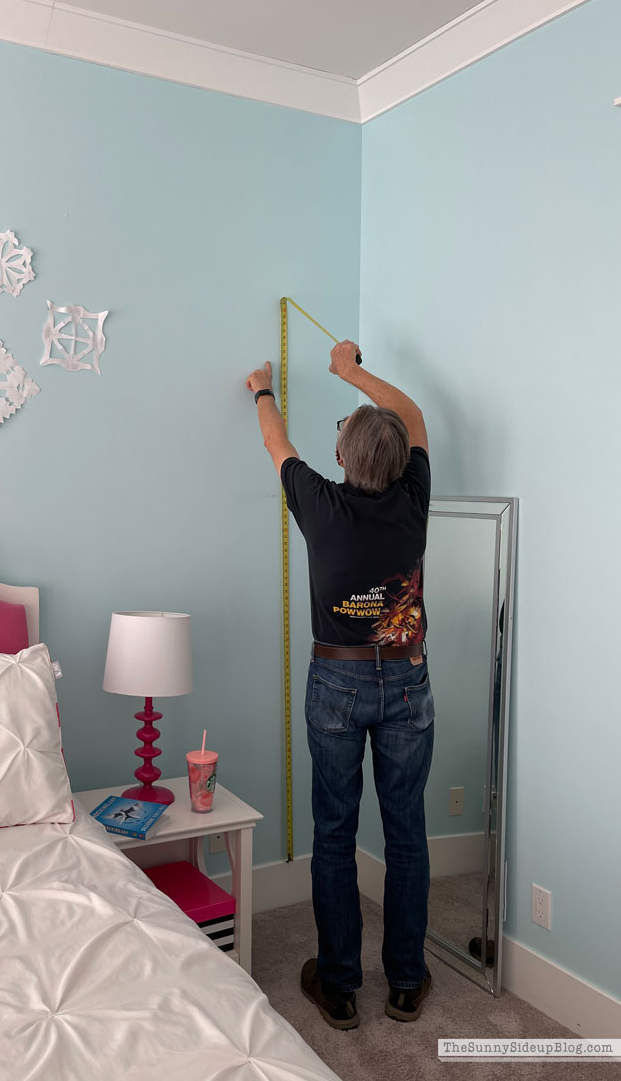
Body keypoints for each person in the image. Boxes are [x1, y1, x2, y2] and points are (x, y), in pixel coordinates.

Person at [245, 340, 434, 1030]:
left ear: (346, 460)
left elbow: (275, 440)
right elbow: (410, 413)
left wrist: (262, 387)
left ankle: (340, 985)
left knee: (334, 832)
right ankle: (407, 986)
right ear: (400, 463)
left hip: (337, 686)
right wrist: (351, 373)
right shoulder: (415, 498)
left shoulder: (319, 503)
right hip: (408, 682)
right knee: (407, 834)